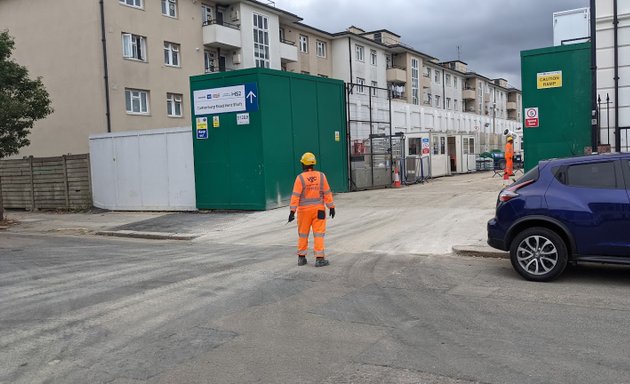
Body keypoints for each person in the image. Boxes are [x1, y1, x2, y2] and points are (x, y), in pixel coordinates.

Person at [288, 152, 335, 267]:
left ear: (304, 164)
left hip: (304, 211)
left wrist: (292, 212)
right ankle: (319, 259)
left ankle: (301, 258)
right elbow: (327, 193)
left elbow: (295, 196)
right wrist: (331, 207)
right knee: (318, 234)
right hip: (319, 210)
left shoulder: (300, 178)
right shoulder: (321, 176)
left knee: (303, 234)